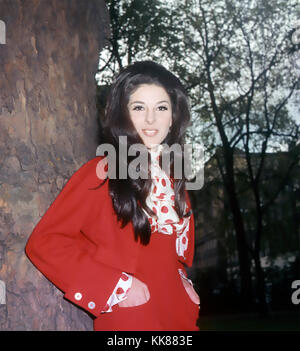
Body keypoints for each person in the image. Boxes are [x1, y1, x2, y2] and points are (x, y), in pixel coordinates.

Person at [25, 61, 200, 331]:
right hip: (132, 316)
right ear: (123, 115)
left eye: (161, 108)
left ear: (174, 117)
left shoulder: (175, 179)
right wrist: (111, 287)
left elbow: (171, 250)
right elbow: (45, 242)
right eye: (139, 107)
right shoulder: (102, 172)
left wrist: (184, 282)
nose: (151, 119)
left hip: (179, 314)